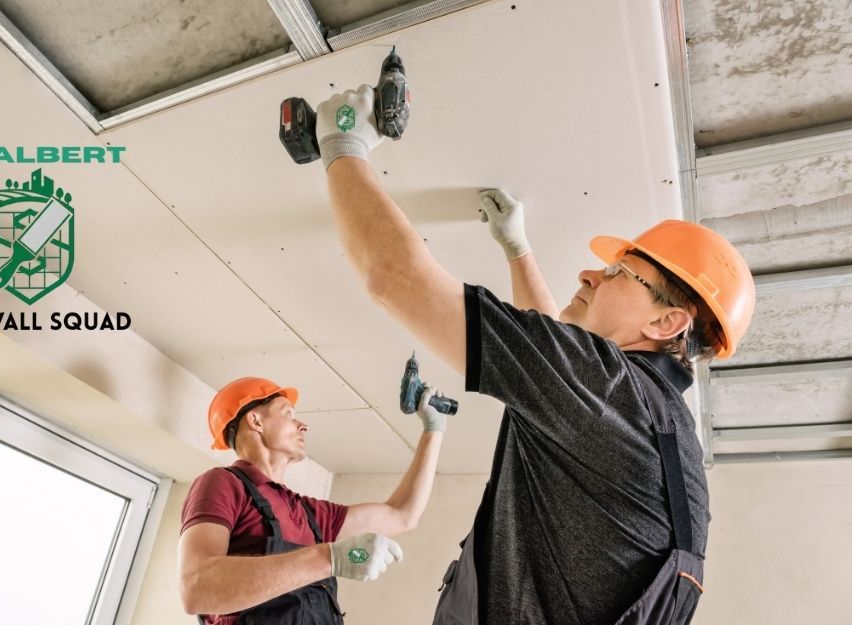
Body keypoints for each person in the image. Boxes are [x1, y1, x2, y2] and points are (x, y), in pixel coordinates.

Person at [312, 85, 756, 624]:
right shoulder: (665, 432)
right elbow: (553, 365)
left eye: (619, 272)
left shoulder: (609, 390)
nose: (591, 273)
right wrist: (517, 248)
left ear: (666, 322)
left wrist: (341, 144)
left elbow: (395, 278)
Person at [178, 375, 449, 624]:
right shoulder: (224, 483)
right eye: (289, 414)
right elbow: (196, 587)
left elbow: (402, 514)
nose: (303, 425)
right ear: (256, 421)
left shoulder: (310, 513)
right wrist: (328, 558)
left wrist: (433, 429)